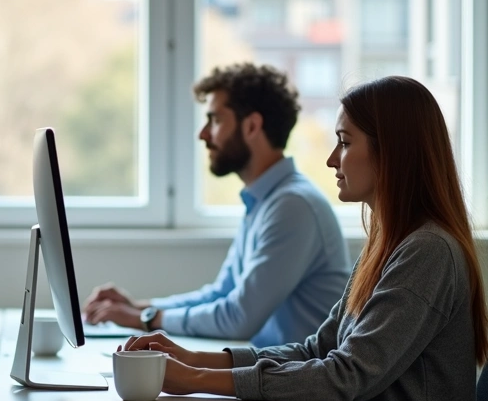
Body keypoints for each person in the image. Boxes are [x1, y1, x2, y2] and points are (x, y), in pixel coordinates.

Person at [122, 76, 488, 401]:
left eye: (345, 142)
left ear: (392, 152)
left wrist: (195, 380)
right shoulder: (388, 244)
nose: (332, 158)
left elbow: (344, 376)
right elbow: (318, 348)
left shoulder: (427, 251)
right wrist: (198, 360)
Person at [84, 63, 350, 346]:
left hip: (300, 373)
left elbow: (238, 318)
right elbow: (221, 294)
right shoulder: (267, 201)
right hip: (273, 367)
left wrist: (146, 319)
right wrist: (140, 307)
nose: (203, 134)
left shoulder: (293, 207)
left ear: (252, 126)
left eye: (215, 120)